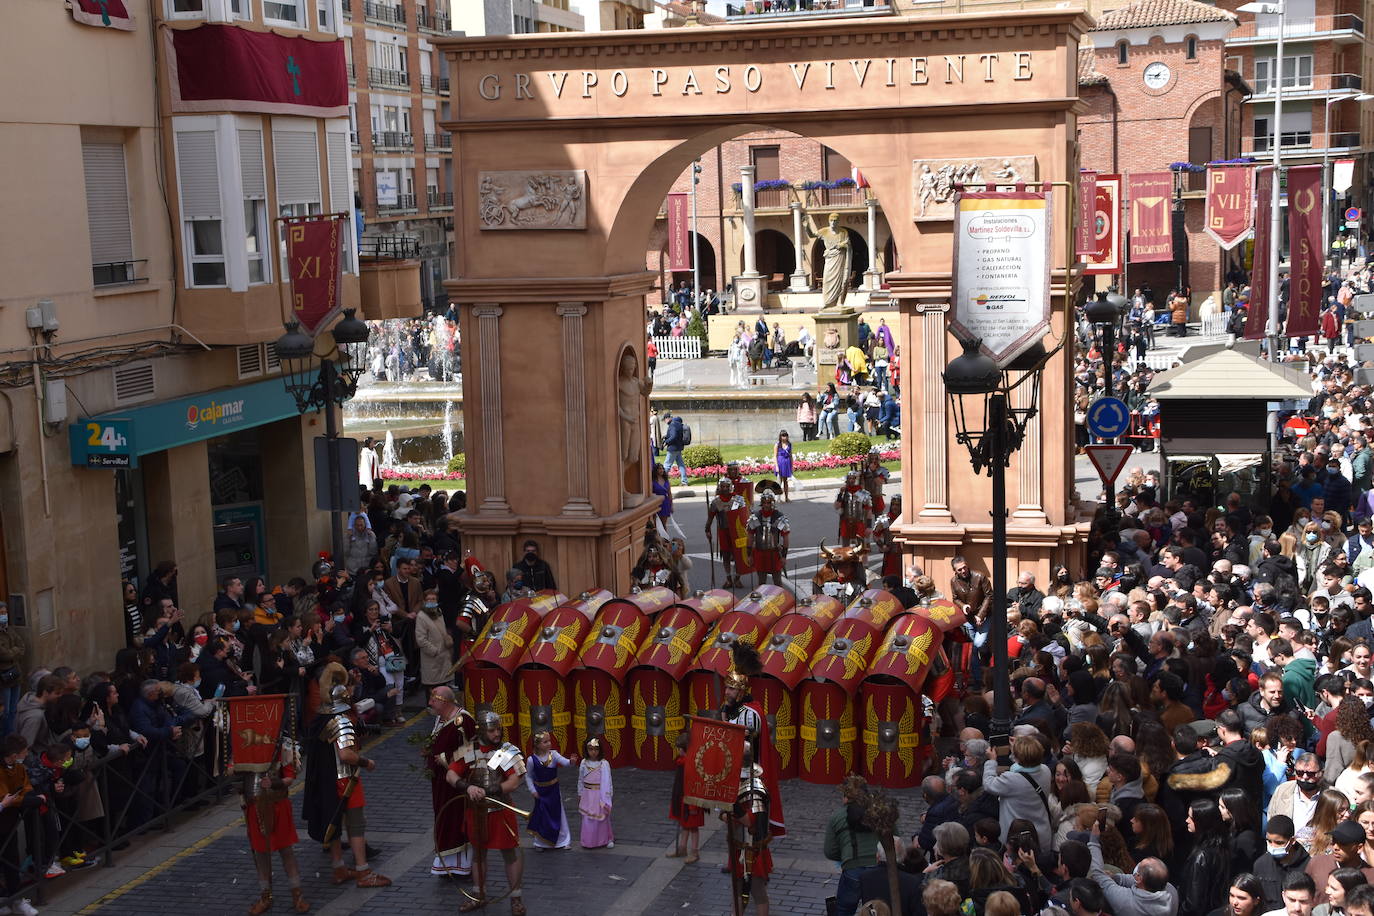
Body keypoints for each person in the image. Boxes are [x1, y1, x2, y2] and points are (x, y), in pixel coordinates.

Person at [300, 662, 391, 889]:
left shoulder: (321, 718)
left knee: (333, 824)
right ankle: (363, 871)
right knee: (356, 826)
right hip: (346, 779)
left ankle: (339, 868)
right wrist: (366, 762)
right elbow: (346, 754)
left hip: (327, 779)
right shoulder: (342, 721)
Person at [445, 714, 526, 915]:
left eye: (498, 729)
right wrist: (467, 786)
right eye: (492, 730)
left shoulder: (507, 751)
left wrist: (489, 791)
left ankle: (516, 898)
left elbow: (514, 781)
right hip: (476, 812)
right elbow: (451, 774)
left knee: (509, 854)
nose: (496, 733)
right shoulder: (468, 750)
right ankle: (478, 895)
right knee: (478, 854)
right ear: (482, 730)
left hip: (500, 811)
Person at [721, 642, 784, 838]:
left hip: (750, 775)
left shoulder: (750, 713)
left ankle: (750, 864)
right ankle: (735, 863)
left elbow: (747, 745)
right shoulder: (729, 709)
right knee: (731, 819)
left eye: (731, 689)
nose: (726, 692)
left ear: (740, 691)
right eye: (727, 688)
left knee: (751, 823)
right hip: (733, 771)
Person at [242, 739, 309, 916]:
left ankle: (297, 895)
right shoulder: (246, 744)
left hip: (278, 805)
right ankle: (266, 896)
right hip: (255, 805)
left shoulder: (283, 746)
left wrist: (274, 783)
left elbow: (289, 778)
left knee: (286, 852)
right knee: (261, 854)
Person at [424, 686, 476, 878]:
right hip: (440, 782)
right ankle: (447, 864)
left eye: (433, 700)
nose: (430, 703)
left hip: (457, 783)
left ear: (444, 701)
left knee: (456, 819)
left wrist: (445, 759)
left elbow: (472, 750)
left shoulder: (463, 721)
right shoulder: (441, 719)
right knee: (443, 817)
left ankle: (461, 866)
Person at [823, 774, 879, 916]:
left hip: (853, 868)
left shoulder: (838, 816)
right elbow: (895, 840)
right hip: (879, 869)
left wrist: (845, 856)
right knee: (876, 910)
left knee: (844, 910)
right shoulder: (881, 811)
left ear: (846, 796)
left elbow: (830, 851)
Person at [727, 747, 774, 916]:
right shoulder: (740, 787)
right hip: (739, 847)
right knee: (737, 892)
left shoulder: (756, 792)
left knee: (758, 893)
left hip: (753, 850)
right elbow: (730, 819)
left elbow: (750, 822)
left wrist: (733, 807)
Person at [1178, 798, 1232, 916]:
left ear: (1202, 822)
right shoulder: (1222, 847)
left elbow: (1193, 903)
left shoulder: (1201, 856)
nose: (1187, 821)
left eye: (1191, 818)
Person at [525, 730, 572, 850]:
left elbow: (565, 762)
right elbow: (528, 776)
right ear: (537, 744)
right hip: (540, 792)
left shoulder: (554, 755)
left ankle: (563, 840)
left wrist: (571, 761)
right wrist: (532, 790)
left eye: (549, 741)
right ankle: (540, 842)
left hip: (553, 791)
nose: (548, 744)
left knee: (558, 814)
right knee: (541, 816)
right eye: (545, 742)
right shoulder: (531, 760)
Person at [706, 478, 748, 589]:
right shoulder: (715, 502)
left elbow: (744, 517)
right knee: (725, 555)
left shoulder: (739, 500)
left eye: (727, 486)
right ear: (720, 487)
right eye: (723, 486)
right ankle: (728, 578)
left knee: (738, 555)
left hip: (736, 531)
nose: (725, 489)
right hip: (723, 531)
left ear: (731, 487)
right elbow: (710, 518)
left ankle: (737, 578)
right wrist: (707, 530)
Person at [668, 731, 702, 863]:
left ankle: (695, 852)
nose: (678, 751)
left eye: (680, 749)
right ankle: (682, 848)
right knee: (685, 824)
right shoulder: (682, 762)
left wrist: (693, 805)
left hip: (692, 800)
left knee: (693, 826)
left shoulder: (692, 764)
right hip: (683, 799)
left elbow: (694, 785)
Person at [747, 488, 790, 589]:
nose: (766, 505)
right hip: (759, 553)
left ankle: (780, 603)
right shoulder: (755, 517)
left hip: (774, 553)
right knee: (761, 583)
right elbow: (750, 537)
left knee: (778, 582)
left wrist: (784, 556)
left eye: (769, 502)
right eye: (764, 502)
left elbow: (786, 538)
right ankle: (762, 604)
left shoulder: (779, 517)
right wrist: (749, 555)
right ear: (761, 503)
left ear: (773, 503)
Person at [414, 589, 453, 698]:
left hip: (443, 656)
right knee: (432, 690)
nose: (431, 601)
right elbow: (421, 639)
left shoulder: (439, 612)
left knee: (443, 688)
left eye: (433, 599)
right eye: (428, 599)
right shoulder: (421, 616)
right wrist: (434, 651)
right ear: (424, 601)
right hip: (432, 658)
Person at [577, 736, 613, 849]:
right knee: (588, 818)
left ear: (600, 750)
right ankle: (588, 841)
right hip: (587, 795)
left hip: (599, 795)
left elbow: (608, 781)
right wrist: (580, 793)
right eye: (590, 749)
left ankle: (605, 839)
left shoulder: (604, 764)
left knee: (601, 818)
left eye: (596, 749)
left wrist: (608, 796)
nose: (593, 752)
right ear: (586, 750)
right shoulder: (584, 763)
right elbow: (580, 779)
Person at [0, 605, 23, 739]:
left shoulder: (10, 630)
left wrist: (12, 652)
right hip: (3, 678)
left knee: (14, 709)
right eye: (1, 613)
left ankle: (11, 734)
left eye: (5, 612)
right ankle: (5, 737)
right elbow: (4, 655)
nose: (4, 615)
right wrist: (14, 652)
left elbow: (22, 646)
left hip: (15, 674)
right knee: (6, 711)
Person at [834, 469, 873, 547]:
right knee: (845, 547)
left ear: (857, 479)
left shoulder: (863, 493)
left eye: (853, 478)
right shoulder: (843, 492)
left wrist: (869, 526)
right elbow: (836, 507)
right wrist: (840, 494)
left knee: (860, 548)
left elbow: (868, 511)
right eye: (849, 478)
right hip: (845, 522)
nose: (851, 480)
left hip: (859, 522)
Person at [662, 412, 689, 483]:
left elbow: (673, 436)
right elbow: (676, 435)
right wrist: (666, 436)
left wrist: (666, 441)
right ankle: (684, 481)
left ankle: (661, 481)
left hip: (673, 448)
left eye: (664, 420)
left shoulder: (672, 425)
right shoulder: (678, 424)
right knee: (681, 465)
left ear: (667, 418)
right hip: (678, 447)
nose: (665, 422)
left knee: (667, 465)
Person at [773, 431, 793, 503]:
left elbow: (790, 456)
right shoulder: (777, 445)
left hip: (787, 464)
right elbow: (775, 456)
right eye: (783, 436)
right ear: (780, 437)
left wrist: (791, 466)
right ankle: (778, 498)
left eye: (785, 436)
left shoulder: (789, 444)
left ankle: (786, 497)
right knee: (779, 482)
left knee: (786, 482)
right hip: (780, 464)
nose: (784, 437)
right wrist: (777, 466)